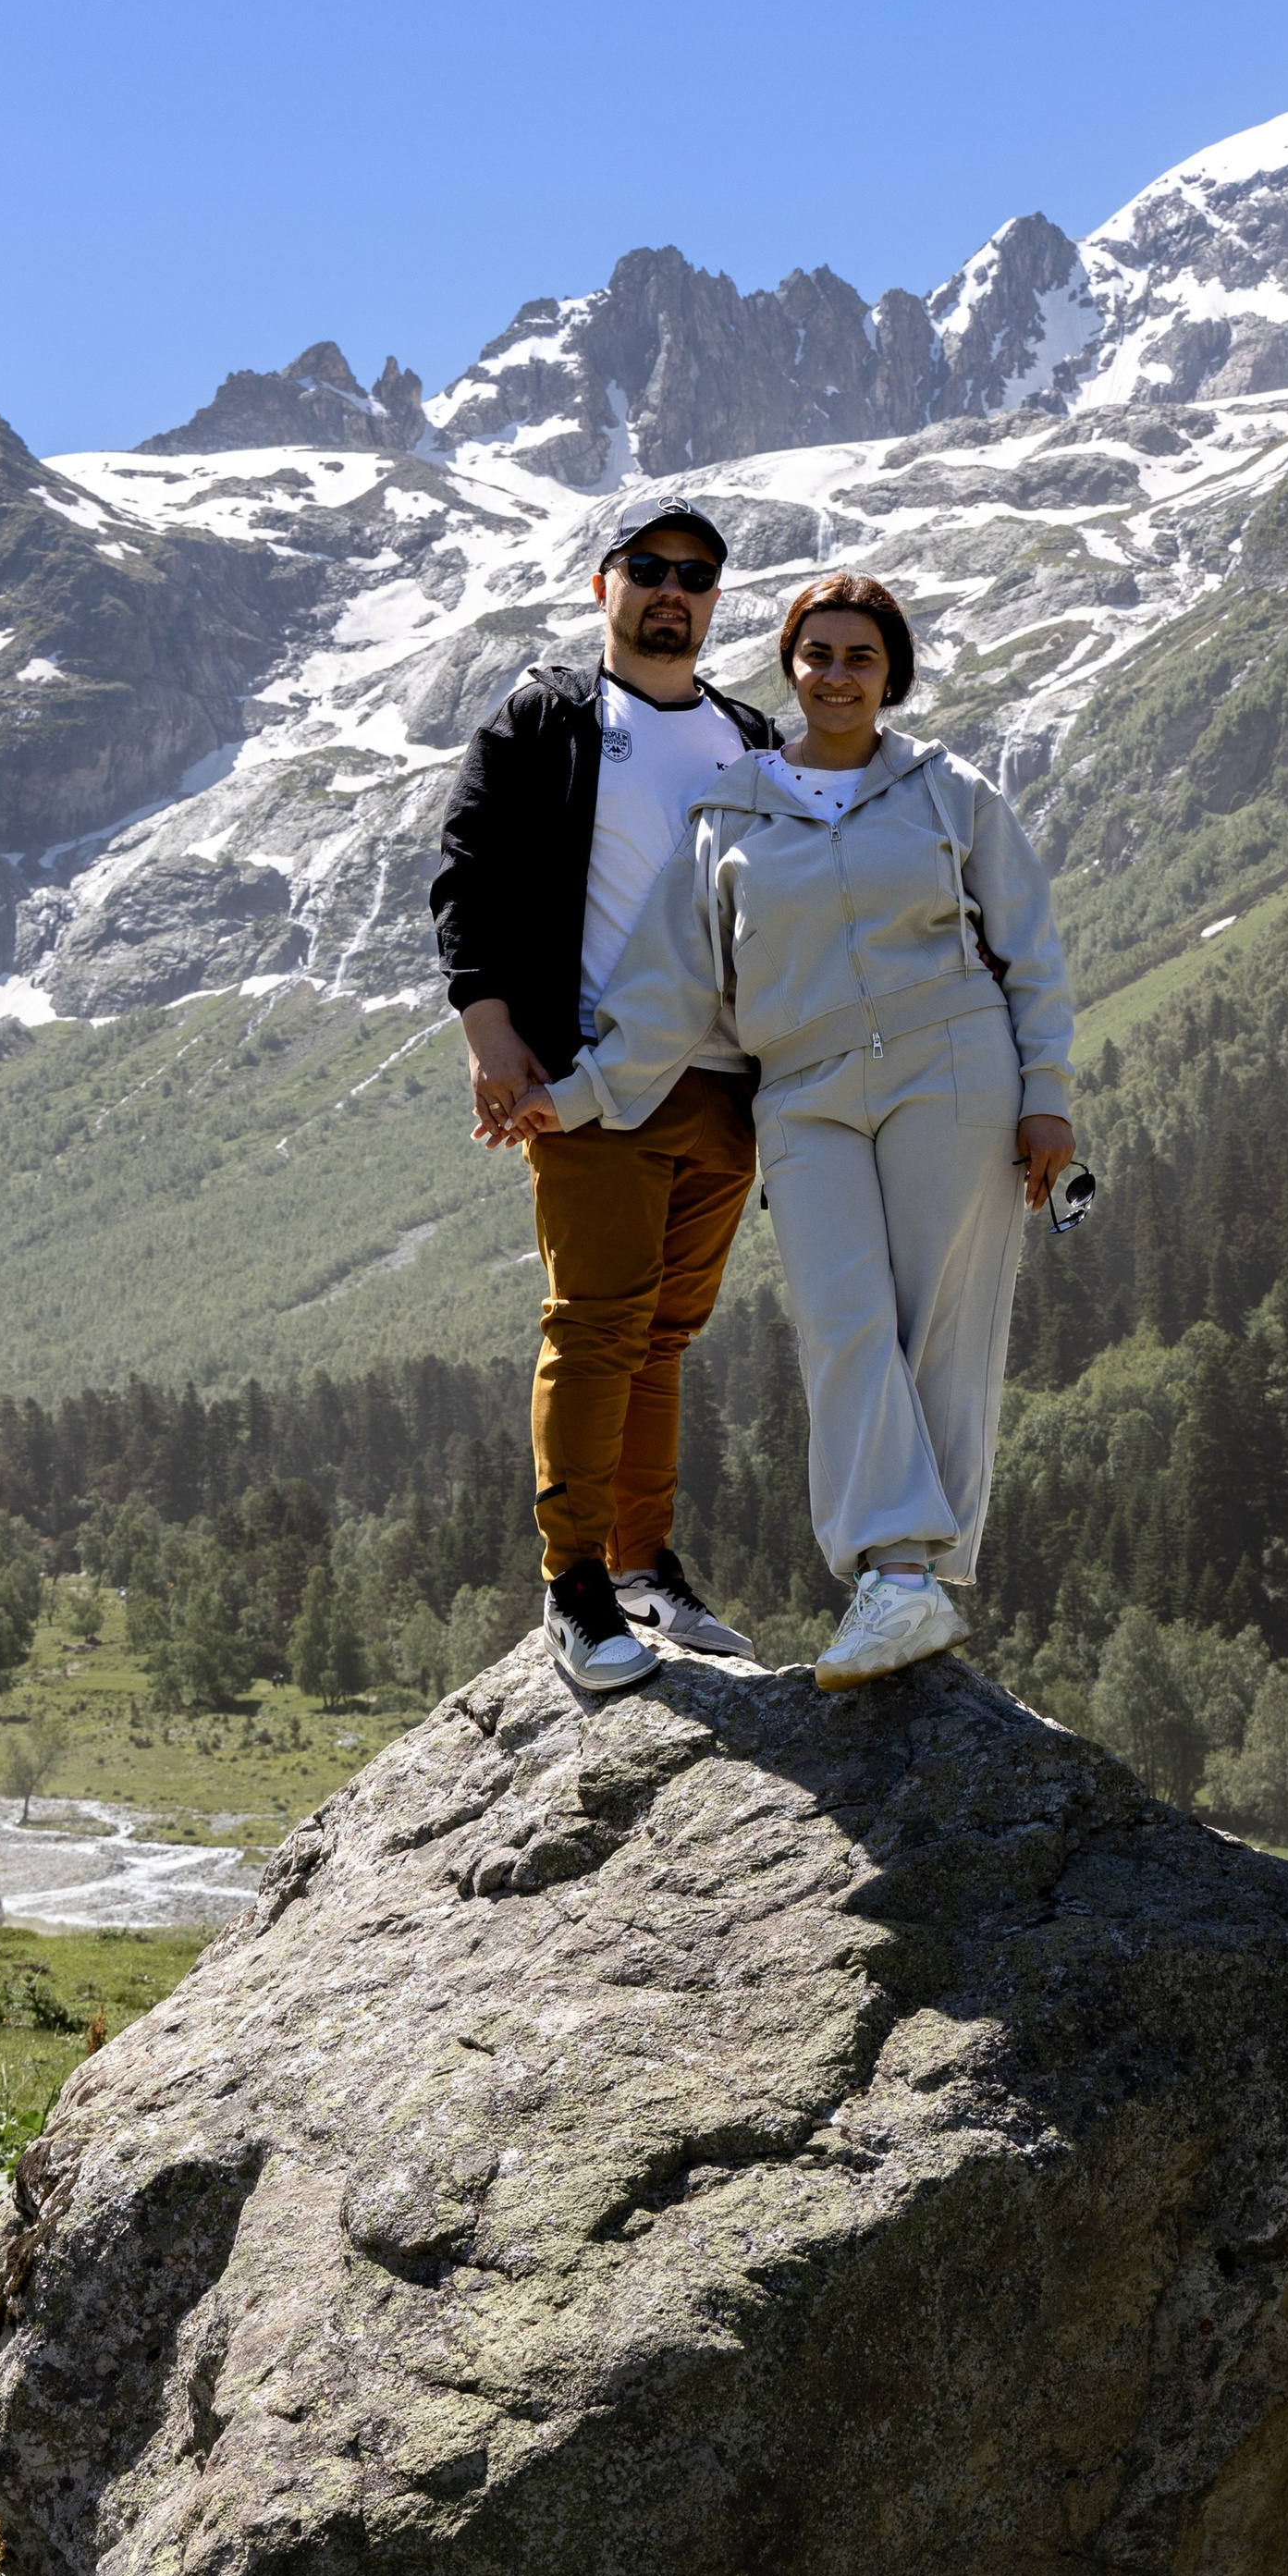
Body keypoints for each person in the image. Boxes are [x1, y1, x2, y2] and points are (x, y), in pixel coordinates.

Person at [497, 571, 1074, 1691]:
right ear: (789, 667)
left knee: (938, 1325)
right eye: (817, 655)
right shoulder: (734, 809)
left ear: (889, 672)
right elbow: (669, 991)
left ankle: (900, 1578)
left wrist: (1045, 1091)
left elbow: (1032, 950)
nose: (837, 675)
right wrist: (570, 1097)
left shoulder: (950, 790)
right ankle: (897, 1578)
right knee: (840, 1319)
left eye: (860, 656)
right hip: (801, 1088)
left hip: (953, 1066)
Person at [430, 497, 776, 1694]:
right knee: (596, 1325)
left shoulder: (749, 735)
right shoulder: (550, 720)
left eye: (696, 573)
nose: (673, 589)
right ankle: (572, 1587)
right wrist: (490, 1031)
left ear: (714, 600)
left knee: (665, 1335)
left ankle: (642, 1569)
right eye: (650, 568)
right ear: (604, 587)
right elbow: (467, 873)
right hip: (592, 1083)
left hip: (728, 1092)